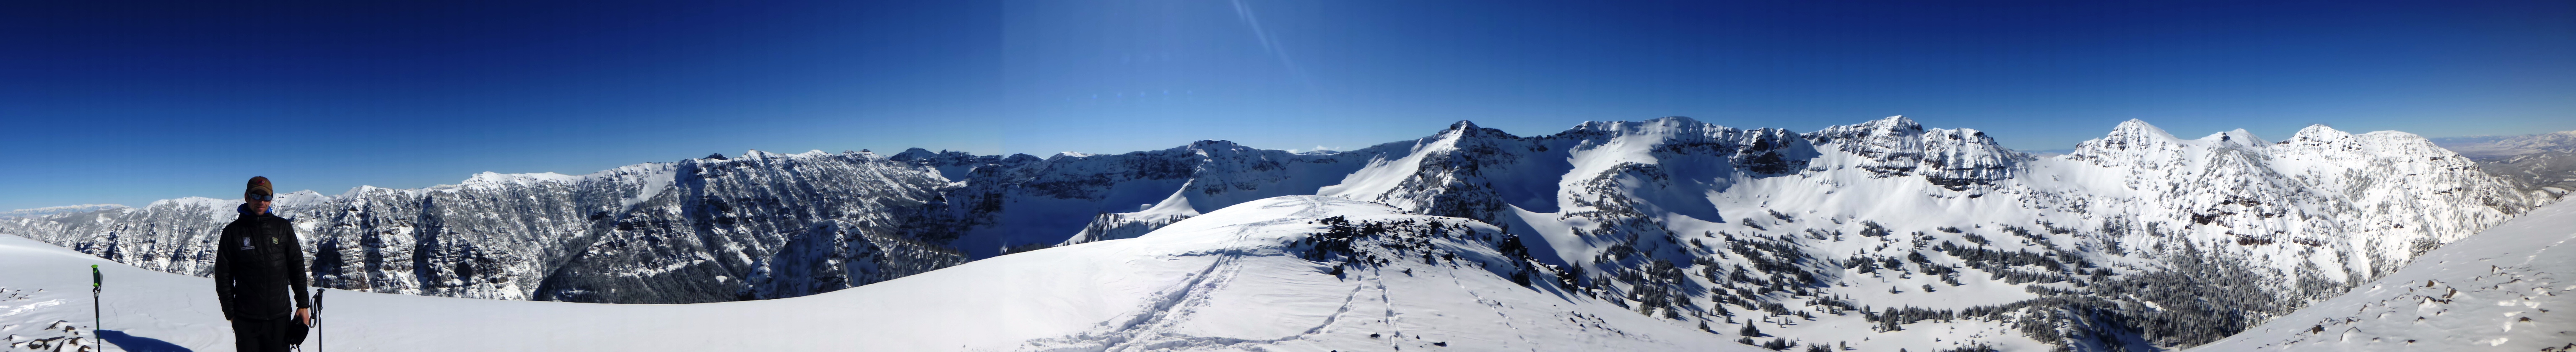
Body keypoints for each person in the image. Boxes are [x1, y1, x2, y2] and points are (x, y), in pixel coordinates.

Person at [214, 176, 311, 352]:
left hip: (280, 319)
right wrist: (232, 315)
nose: (261, 202)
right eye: (256, 196)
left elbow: (296, 266)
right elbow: (223, 277)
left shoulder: (283, 228)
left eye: (266, 197)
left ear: (271, 199)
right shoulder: (232, 233)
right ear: (247, 197)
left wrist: (303, 305)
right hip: (246, 321)